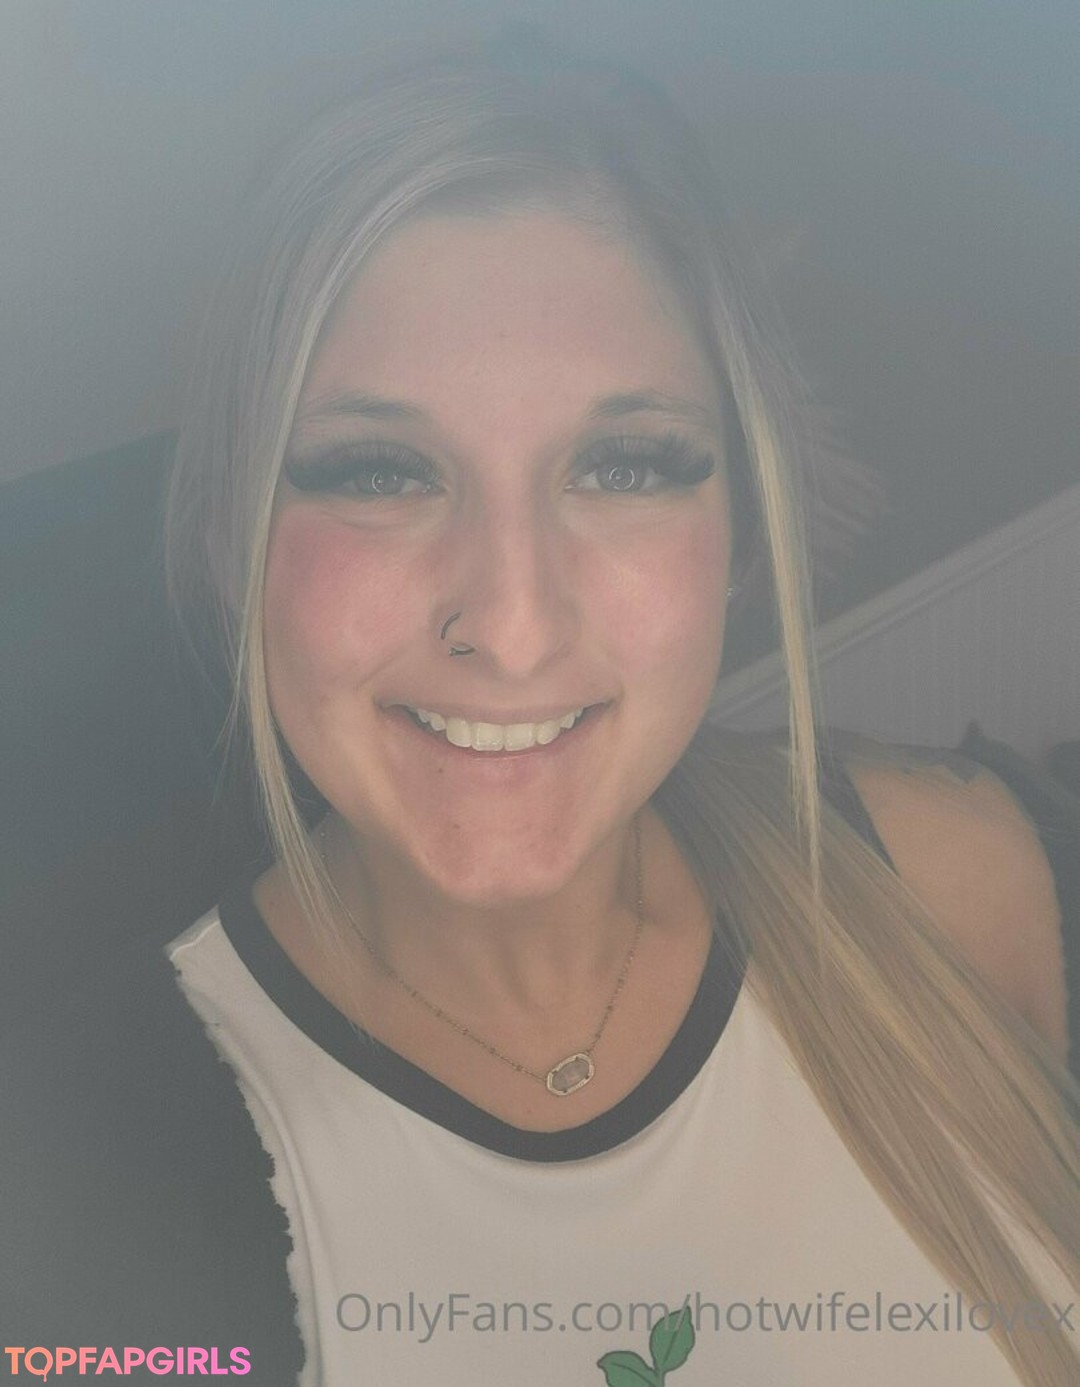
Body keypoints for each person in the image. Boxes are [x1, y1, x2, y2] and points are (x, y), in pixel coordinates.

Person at [4, 33, 1076, 1387]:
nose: (512, 627)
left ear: (740, 532)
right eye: (379, 470)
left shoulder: (966, 882)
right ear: (231, 543)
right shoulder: (78, 1191)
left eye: (624, 465)